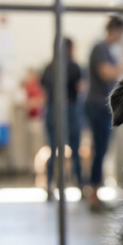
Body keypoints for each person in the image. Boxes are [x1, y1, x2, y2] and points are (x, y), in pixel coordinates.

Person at [84, 16, 123, 210]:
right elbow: (106, 73)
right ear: (115, 30)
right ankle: (94, 195)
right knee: (99, 150)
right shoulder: (100, 48)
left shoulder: (104, 49)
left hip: (101, 107)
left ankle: (96, 192)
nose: (122, 37)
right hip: (98, 106)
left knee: (101, 150)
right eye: (122, 33)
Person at [40, 37, 84, 196]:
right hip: (70, 109)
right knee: (75, 150)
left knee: (52, 150)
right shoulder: (74, 67)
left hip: (52, 109)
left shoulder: (48, 68)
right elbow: (80, 89)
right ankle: (79, 185)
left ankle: (50, 186)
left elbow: (44, 89)